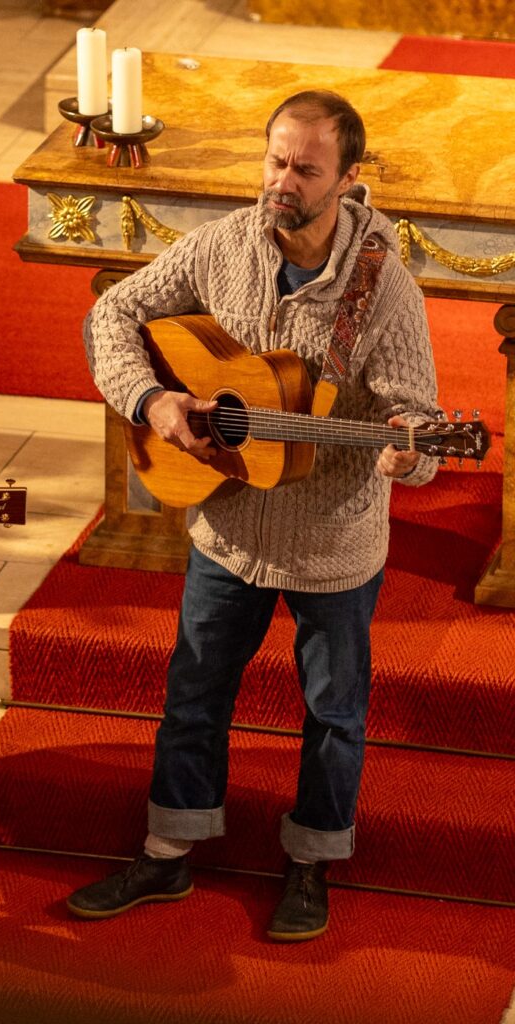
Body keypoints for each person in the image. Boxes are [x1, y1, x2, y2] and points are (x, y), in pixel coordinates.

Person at [67, 91, 440, 940]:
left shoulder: (383, 289)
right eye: (276, 162)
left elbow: (418, 416)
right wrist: (154, 400)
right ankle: (168, 852)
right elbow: (112, 312)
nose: (283, 183)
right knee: (194, 690)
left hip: (331, 539)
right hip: (227, 528)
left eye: (306, 170)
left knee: (333, 714)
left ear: (349, 179)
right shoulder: (223, 244)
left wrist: (409, 452)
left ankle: (310, 864)